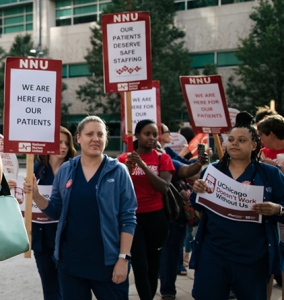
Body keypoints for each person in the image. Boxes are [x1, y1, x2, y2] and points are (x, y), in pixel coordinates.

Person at [23, 116, 137, 300]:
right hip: (71, 264)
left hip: (107, 263)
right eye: (89, 134)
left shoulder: (118, 171)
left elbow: (128, 218)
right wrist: (36, 195)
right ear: (78, 138)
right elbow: (56, 211)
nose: (95, 138)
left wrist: (123, 259)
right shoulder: (66, 170)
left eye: (100, 134)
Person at [190, 111, 284, 300]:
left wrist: (277, 209)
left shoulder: (270, 174)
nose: (234, 143)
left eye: (241, 140)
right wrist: (197, 191)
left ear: (254, 145)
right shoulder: (213, 170)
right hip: (213, 253)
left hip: (253, 258)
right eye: (231, 139)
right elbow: (198, 206)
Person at [8, 126, 76, 300]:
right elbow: (23, 200)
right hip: (42, 238)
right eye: (59, 142)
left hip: (68, 238)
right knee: (49, 285)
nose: (63, 146)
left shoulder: (75, 169)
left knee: (69, 285)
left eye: (66, 143)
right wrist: (12, 189)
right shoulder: (36, 169)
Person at [118, 119, 175, 300]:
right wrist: (127, 167)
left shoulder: (162, 158)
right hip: (132, 219)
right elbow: (118, 187)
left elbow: (164, 187)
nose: (151, 138)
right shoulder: (123, 158)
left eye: (154, 134)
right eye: (146, 134)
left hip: (156, 218)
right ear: (137, 136)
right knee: (140, 265)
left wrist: (143, 166)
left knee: (153, 265)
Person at [257, 114, 284, 299]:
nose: (260, 140)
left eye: (262, 135)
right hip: (266, 215)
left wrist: (274, 167)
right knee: (268, 262)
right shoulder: (261, 152)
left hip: (281, 212)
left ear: (271, 134)